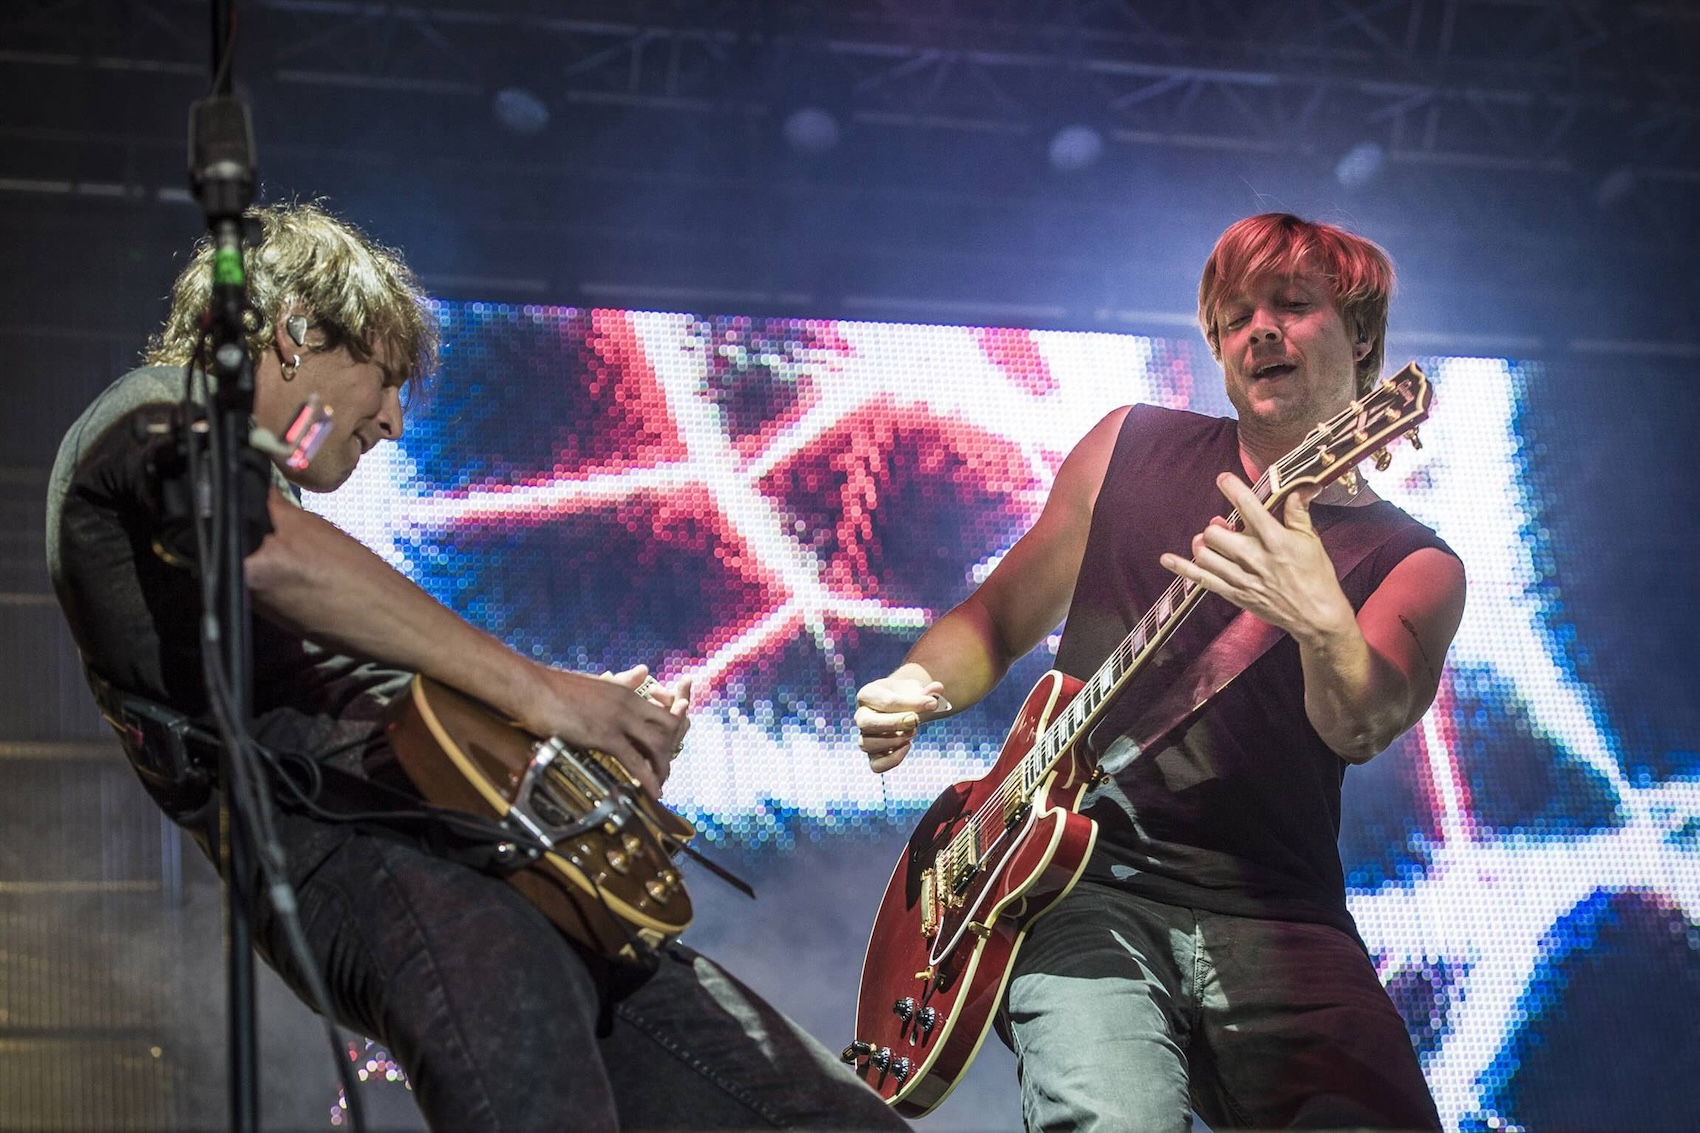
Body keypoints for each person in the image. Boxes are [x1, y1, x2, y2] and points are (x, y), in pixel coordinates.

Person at [48, 201, 906, 1132]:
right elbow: (268, 550)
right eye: (382, 377)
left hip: (503, 866)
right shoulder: (145, 412)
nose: (391, 418)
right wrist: (551, 699)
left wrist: (573, 746)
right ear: (294, 332)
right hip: (385, 864)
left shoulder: (274, 504)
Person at [855, 213, 1466, 1132]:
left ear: (1363, 338)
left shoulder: (1416, 563)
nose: (1259, 331)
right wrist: (914, 682)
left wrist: (1321, 620)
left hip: (1282, 916)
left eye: (1292, 305)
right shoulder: (1128, 446)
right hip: (1076, 890)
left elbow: (1360, 723)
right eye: (1235, 317)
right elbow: (998, 618)